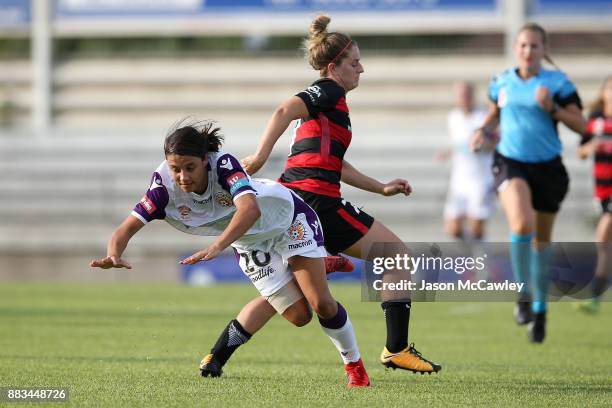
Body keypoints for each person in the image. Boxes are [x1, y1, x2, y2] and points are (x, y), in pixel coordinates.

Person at [90, 121, 370, 388]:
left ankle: (355, 369)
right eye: (176, 169)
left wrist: (217, 246)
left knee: (321, 304)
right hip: (247, 240)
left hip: (286, 219)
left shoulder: (223, 164)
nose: (183, 177)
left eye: (190, 167)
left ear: (204, 160)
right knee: (299, 316)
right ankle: (320, 265)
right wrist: (113, 254)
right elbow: (125, 229)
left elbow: (250, 210)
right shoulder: (162, 188)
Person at [239, 15, 441, 373]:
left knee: (289, 295)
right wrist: (258, 156)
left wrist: (380, 187)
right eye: (355, 62)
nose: (361, 69)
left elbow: (336, 165)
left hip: (300, 201)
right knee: (396, 257)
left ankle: (215, 356)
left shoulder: (333, 108)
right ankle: (396, 349)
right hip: (317, 203)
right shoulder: (329, 90)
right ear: (334, 67)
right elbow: (284, 109)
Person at [471, 23, 586, 343]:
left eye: (534, 46)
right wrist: (482, 129)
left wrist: (553, 108)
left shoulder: (558, 83)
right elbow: (495, 111)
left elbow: (582, 125)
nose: (528, 51)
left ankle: (541, 308)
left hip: (549, 169)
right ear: (516, 48)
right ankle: (523, 293)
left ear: (544, 50)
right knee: (522, 225)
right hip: (511, 162)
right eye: (523, 45)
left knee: (542, 242)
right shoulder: (501, 81)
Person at [441, 80, 496, 241]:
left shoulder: (484, 116)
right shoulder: (453, 117)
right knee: (454, 229)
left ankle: (481, 262)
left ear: (473, 96)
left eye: (466, 94)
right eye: (460, 95)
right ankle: (471, 257)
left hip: (481, 178)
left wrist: (482, 146)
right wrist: (448, 153)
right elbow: (457, 144)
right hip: (459, 179)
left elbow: (496, 142)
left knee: (477, 228)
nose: (463, 98)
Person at [576, 76, 612, 314]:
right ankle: (597, 294)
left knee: (602, 235)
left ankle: (595, 292)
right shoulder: (595, 120)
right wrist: (592, 147)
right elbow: (581, 151)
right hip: (602, 190)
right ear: (604, 92)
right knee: (605, 243)